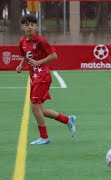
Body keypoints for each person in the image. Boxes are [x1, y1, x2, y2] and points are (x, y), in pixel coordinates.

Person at [16, 14, 76, 145]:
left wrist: (38, 62)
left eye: (32, 24)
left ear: (36, 26)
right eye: (27, 25)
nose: (30, 27)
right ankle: (67, 120)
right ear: (23, 27)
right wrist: (21, 64)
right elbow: (26, 56)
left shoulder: (41, 40)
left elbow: (54, 56)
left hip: (42, 76)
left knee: (34, 108)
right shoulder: (22, 41)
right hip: (33, 77)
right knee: (40, 110)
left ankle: (44, 137)